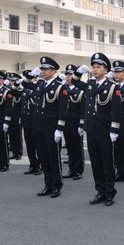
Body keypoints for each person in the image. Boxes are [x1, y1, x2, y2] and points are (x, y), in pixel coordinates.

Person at [72, 53, 120, 206]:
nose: (95, 69)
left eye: (98, 67)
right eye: (93, 67)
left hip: (105, 131)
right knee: (95, 163)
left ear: (106, 70)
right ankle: (100, 190)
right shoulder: (91, 85)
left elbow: (116, 110)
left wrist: (114, 130)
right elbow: (74, 81)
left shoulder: (112, 87)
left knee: (107, 162)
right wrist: (80, 72)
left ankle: (110, 192)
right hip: (91, 130)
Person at [29, 57, 68, 198]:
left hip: (52, 128)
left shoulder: (60, 87)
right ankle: (48, 184)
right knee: (44, 158)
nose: (43, 71)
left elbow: (63, 110)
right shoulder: (40, 85)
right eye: (42, 69)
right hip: (39, 127)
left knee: (53, 158)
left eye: (45, 69)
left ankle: (57, 185)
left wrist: (60, 129)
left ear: (53, 71)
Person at [62, 64, 85, 180]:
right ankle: (72, 169)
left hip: (76, 123)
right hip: (66, 122)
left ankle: (78, 170)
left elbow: (82, 109)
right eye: (67, 74)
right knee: (70, 148)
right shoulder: (63, 89)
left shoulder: (80, 90)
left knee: (77, 148)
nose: (68, 77)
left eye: (71, 74)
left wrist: (81, 124)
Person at [18, 69, 41, 175]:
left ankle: (40, 165)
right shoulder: (25, 89)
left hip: (35, 121)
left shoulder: (38, 87)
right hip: (26, 122)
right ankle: (33, 165)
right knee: (29, 145)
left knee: (38, 145)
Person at [5, 72, 24, 161]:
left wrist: (21, 116)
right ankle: (14, 151)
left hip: (18, 116)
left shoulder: (21, 90)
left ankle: (19, 152)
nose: (11, 82)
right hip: (10, 116)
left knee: (17, 135)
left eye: (14, 81)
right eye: (11, 81)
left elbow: (21, 104)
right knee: (11, 134)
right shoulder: (10, 90)